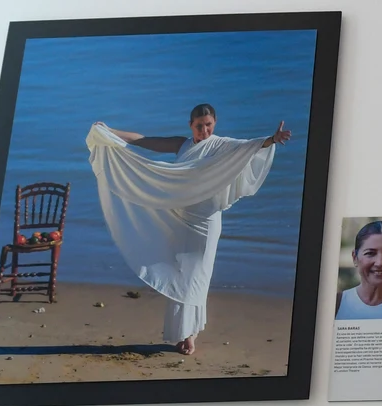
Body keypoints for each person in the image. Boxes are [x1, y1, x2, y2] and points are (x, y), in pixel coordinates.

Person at [87, 104, 292, 354]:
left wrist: (272, 139)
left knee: (197, 279)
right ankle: (181, 332)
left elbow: (249, 146)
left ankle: (191, 334)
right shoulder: (182, 145)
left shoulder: (220, 145)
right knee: (180, 276)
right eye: (199, 126)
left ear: (214, 124)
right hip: (179, 220)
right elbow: (145, 140)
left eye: (208, 125)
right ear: (190, 125)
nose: (204, 130)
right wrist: (110, 131)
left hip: (205, 224)